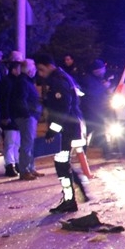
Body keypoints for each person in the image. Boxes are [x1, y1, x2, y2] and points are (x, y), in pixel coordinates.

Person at [34, 53, 88, 213]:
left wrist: (52, 131)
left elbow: (62, 109)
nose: (40, 73)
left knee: (62, 164)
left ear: (49, 65)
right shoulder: (63, 77)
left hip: (67, 129)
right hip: (71, 127)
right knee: (64, 164)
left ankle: (70, 200)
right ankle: (75, 195)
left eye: (41, 69)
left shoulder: (58, 81)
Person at [4, 59, 42, 180]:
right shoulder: (23, 82)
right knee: (27, 143)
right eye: (34, 68)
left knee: (29, 143)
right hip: (27, 117)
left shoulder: (25, 81)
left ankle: (30, 168)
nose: (35, 70)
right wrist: (28, 114)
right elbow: (21, 100)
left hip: (29, 116)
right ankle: (25, 170)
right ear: (29, 69)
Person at [78, 59, 116, 157]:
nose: (104, 71)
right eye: (102, 69)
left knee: (98, 132)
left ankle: (106, 153)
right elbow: (94, 93)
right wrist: (104, 88)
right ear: (96, 70)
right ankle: (83, 154)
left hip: (96, 111)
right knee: (87, 133)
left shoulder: (96, 79)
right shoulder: (89, 80)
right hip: (90, 112)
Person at [0, 59, 20, 176]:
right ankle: (10, 165)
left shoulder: (12, 81)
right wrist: (5, 115)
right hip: (11, 116)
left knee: (15, 142)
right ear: (13, 70)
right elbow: (5, 100)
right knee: (10, 142)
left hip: (14, 116)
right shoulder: (7, 82)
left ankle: (15, 163)